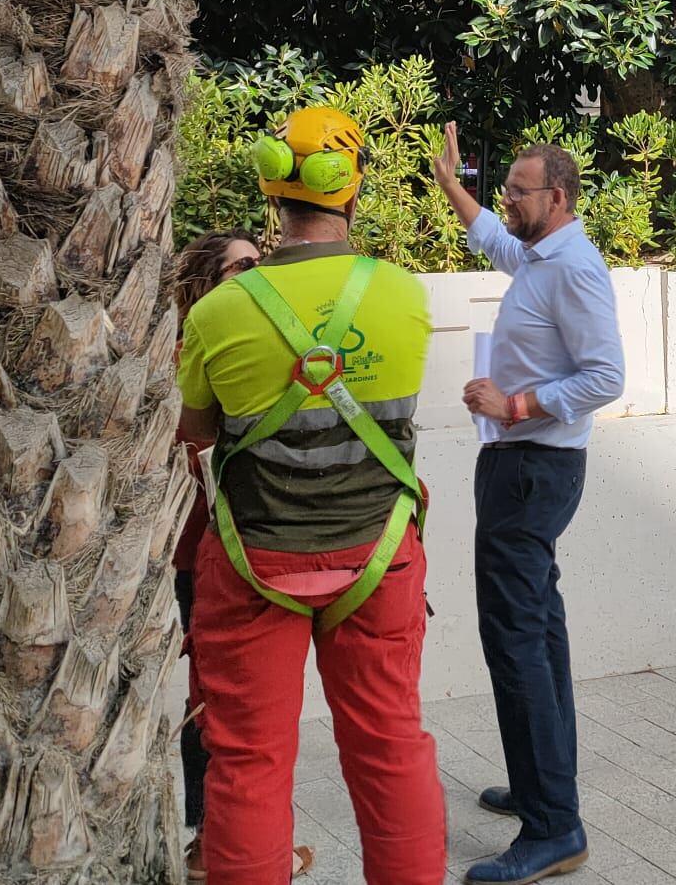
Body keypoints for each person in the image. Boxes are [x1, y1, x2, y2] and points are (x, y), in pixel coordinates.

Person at [181, 107, 445, 885]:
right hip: (377, 554)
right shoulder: (404, 296)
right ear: (353, 195)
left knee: (248, 762)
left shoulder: (216, 311)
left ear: (273, 198)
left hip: (253, 559)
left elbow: (194, 432)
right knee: (391, 745)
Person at [433, 126, 625, 885]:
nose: (506, 198)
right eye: (505, 187)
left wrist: (515, 405)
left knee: (515, 639)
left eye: (518, 189)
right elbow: (495, 244)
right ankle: (543, 786)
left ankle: (554, 827)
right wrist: (453, 183)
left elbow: (605, 377)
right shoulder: (540, 255)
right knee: (539, 632)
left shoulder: (575, 269)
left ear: (559, 197)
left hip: (533, 467)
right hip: (527, 468)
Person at [171, 230, 318, 884]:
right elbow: (190, 439)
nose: (260, 275)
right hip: (206, 546)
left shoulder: (241, 343)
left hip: (245, 542)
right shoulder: (190, 350)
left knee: (237, 702)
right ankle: (212, 844)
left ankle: (227, 838)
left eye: (263, 263)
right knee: (219, 702)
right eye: (245, 266)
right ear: (206, 282)